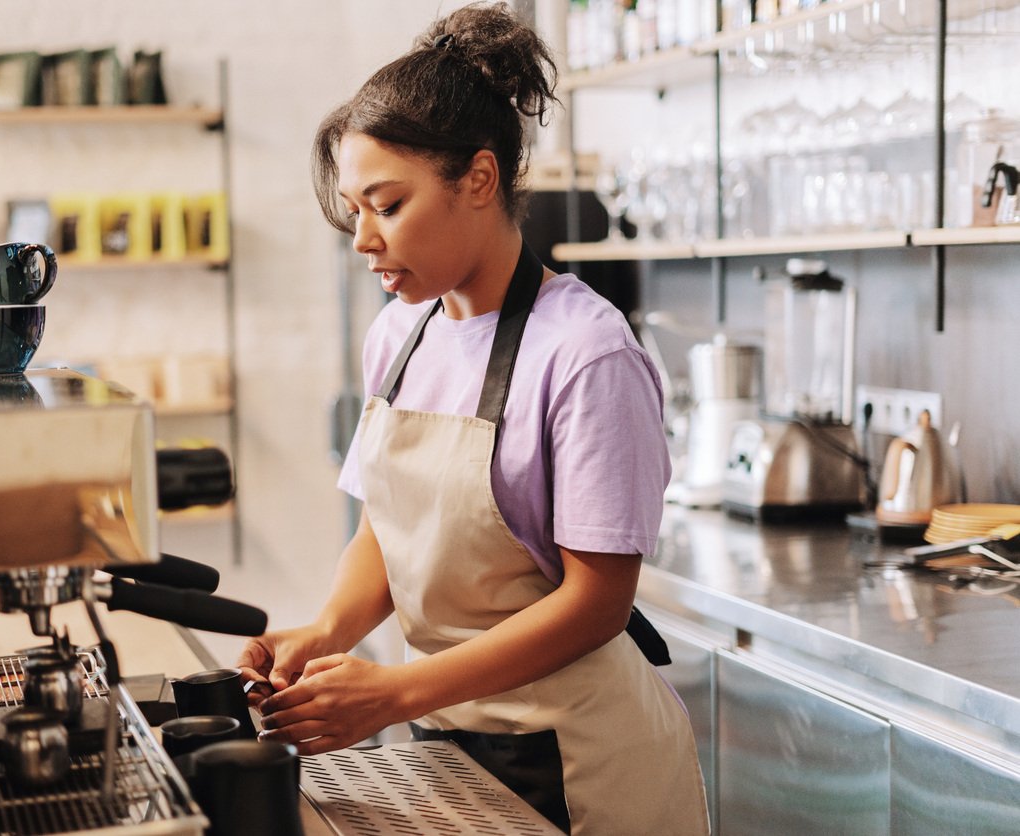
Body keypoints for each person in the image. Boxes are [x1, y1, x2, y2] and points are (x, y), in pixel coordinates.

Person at [237, 3, 709, 833]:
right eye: (355, 210)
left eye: (387, 204)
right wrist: (326, 631)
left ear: (480, 180)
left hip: (582, 759)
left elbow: (600, 601)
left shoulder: (585, 354)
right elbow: (388, 530)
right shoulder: (400, 334)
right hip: (451, 744)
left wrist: (397, 691)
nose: (364, 240)